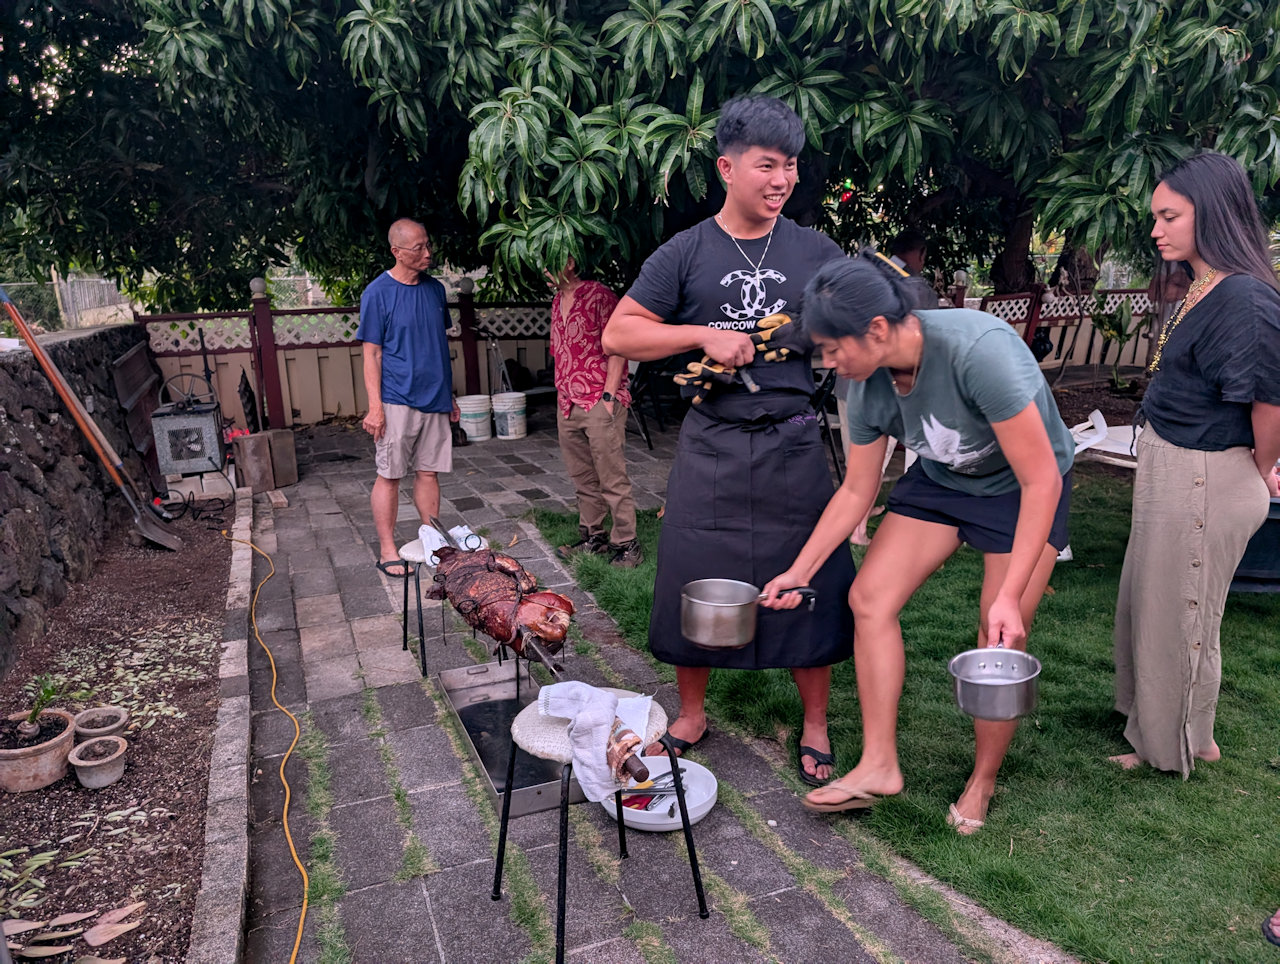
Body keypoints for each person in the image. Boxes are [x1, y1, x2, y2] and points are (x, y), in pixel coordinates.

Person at [762, 253, 1075, 831]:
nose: (827, 363)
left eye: (832, 348)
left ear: (877, 328)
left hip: (1022, 486)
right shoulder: (866, 387)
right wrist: (799, 570)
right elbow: (857, 490)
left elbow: (1041, 480)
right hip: (942, 480)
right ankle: (879, 765)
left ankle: (982, 782)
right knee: (869, 599)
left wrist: (1009, 596)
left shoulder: (979, 353)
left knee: (997, 636)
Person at [602, 94, 855, 786]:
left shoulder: (815, 251)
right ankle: (690, 715)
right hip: (712, 442)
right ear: (727, 168)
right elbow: (619, 332)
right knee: (693, 574)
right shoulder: (687, 251)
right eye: (767, 165)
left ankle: (814, 723)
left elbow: (854, 325)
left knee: (811, 580)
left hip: (793, 443)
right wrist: (701, 334)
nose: (782, 180)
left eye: (790, 166)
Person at [1110, 151, 1280, 776]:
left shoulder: (1246, 299)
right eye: (1155, 216)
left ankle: (1172, 745)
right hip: (1177, 469)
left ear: (1211, 213)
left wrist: (1261, 468)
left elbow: (1270, 400)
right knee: (1153, 606)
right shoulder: (1205, 284)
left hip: (1206, 475)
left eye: (1170, 216)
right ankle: (1174, 727)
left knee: (1178, 614)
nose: (1156, 230)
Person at [358, 218, 460, 577]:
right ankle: (387, 549)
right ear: (397, 252)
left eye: (428, 244)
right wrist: (375, 408)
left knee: (429, 473)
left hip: (435, 398)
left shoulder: (435, 290)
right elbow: (371, 354)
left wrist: (450, 396)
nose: (428, 253)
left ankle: (433, 542)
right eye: (419, 248)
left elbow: (437, 345)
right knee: (390, 474)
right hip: (397, 398)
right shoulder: (377, 293)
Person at [546, 256, 642, 568]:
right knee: (582, 477)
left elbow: (619, 346)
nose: (544, 269)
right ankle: (593, 537)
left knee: (611, 477)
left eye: (550, 261)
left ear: (570, 262)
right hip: (567, 403)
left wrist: (609, 396)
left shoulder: (600, 296)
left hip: (599, 399)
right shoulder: (557, 301)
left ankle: (627, 544)